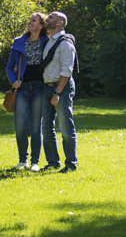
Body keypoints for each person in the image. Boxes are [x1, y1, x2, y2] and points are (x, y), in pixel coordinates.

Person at [6, 12, 49, 172]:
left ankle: (35, 162)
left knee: (36, 127)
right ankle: (22, 161)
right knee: (21, 127)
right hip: (22, 89)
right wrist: (13, 81)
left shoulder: (47, 42)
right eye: (30, 20)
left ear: (41, 25)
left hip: (40, 88)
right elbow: (10, 67)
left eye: (34, 20)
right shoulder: (19, 42)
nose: (30, 22)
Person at [41, 11, 78, 173]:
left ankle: (71, 164)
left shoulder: (65, 44)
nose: (46, 19)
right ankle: (53, 162)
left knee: (65, 127)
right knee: (46, 127)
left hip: (60, 89)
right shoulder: (50, 41)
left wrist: (57, 93)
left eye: (50, 17)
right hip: (47, 88)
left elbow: (66, 71)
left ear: (59, 23)